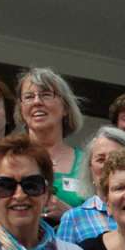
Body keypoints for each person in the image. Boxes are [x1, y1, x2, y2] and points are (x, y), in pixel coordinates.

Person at [15, 67, 87, 217]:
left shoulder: (87, 163)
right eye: (28, 97)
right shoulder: (9, 158)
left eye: (46, 95)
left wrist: (69, 215)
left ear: (65, 108)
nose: (37, 102)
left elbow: (106, 220)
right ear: (21, 109)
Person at [55, 126, 125, 246]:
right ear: (90, 168)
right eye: (101, 159)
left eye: (117, 157)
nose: (109, 165)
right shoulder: (74, 219)